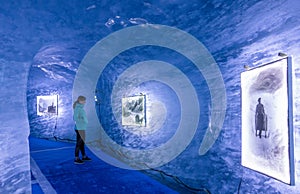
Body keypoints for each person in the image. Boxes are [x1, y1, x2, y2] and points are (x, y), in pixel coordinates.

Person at [73, 95, 92, 164]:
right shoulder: (77, 108)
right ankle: (76, 158)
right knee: (79, 143)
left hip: (82, 128)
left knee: (82, 143)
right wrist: (83, 120)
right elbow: (75, 118)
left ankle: (84, 156)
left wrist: (84, 120)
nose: (85, 102)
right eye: (84, 100)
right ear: (80, 101)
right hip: (79, 128)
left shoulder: (80, 108)